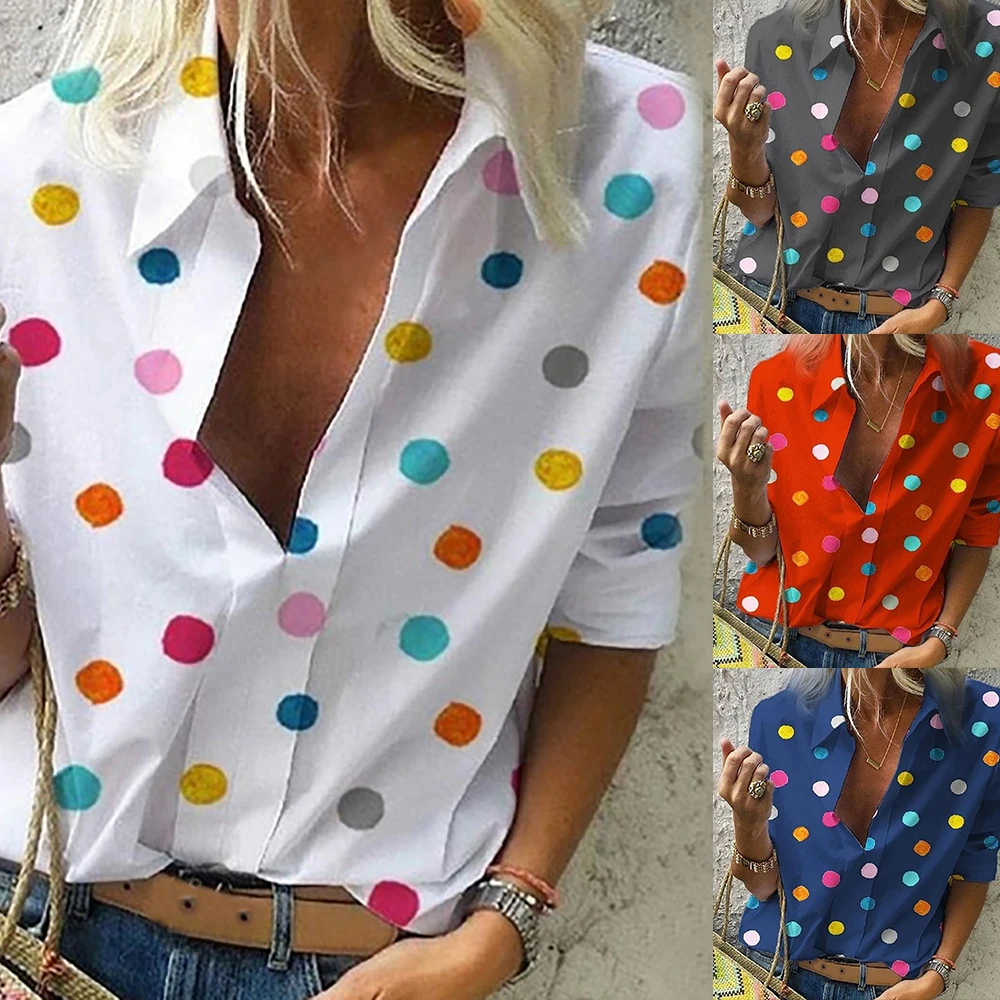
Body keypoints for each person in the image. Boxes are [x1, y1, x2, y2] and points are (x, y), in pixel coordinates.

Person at [0, 0, 703, 997]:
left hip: (370, 965)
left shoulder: (644, 166)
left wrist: (500, 926)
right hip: (35, 928)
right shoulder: (38, 173)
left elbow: (618, 585)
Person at [714, 0, 1000, 335]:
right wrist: (744, 146)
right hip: (769, 306)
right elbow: (760, 213)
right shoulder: (777, 37)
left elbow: (980, 190)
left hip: (891, 323)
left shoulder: (985, 39)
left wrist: (941, 303)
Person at [716, 333, 1000, 669]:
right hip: (774, 640)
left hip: (895, 658)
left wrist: (941, 639)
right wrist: (746, 485)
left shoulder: (985, 381)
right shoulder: (779, 377)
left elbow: (979, 528)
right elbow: (761, 553)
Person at [718, 667, 1000, 1000]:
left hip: (892, 988)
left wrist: (938, 974)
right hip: (773, 975)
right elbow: (763, 887)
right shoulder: (780, 717)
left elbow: (976, 862)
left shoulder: (983, 719)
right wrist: (748, 822)